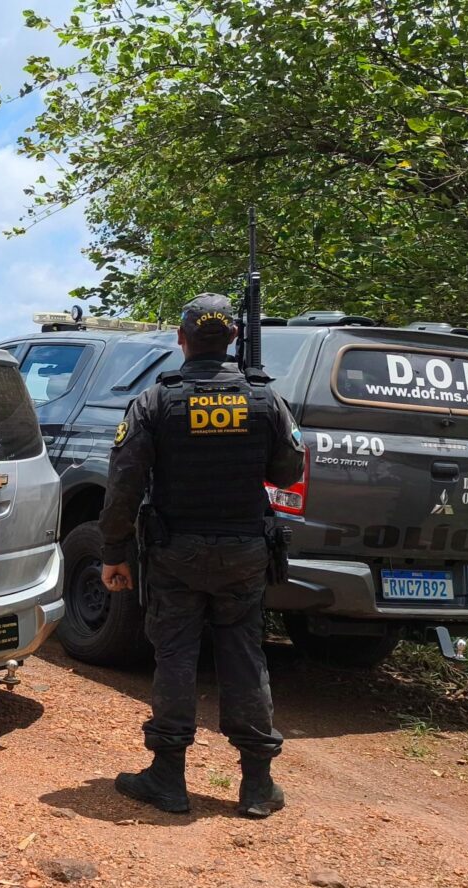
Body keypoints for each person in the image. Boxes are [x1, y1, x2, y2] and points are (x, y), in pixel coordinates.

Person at [97, 293, 305, 817]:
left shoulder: (156, 401)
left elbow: (123, 483)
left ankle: (168, 778)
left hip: (175, 551)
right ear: (233, 338)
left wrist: (114, 552)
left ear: (181, 339)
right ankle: (257, 784)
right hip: (243, 551)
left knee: (174, 656)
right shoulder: (265, 398)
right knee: (244, 656)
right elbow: (288, 472)